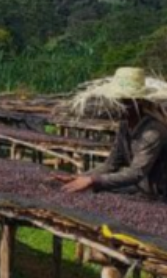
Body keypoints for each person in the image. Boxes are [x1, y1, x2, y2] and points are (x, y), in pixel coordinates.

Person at [61, 68, 167, 197]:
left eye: (122, 101)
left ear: (136, 102)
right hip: (141, 189)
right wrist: (80, 177)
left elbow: (136, 173)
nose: (116, 106)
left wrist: (93, 181)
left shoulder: (152, 132)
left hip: (159, 195)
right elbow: (111, 164)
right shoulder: (125, 125)